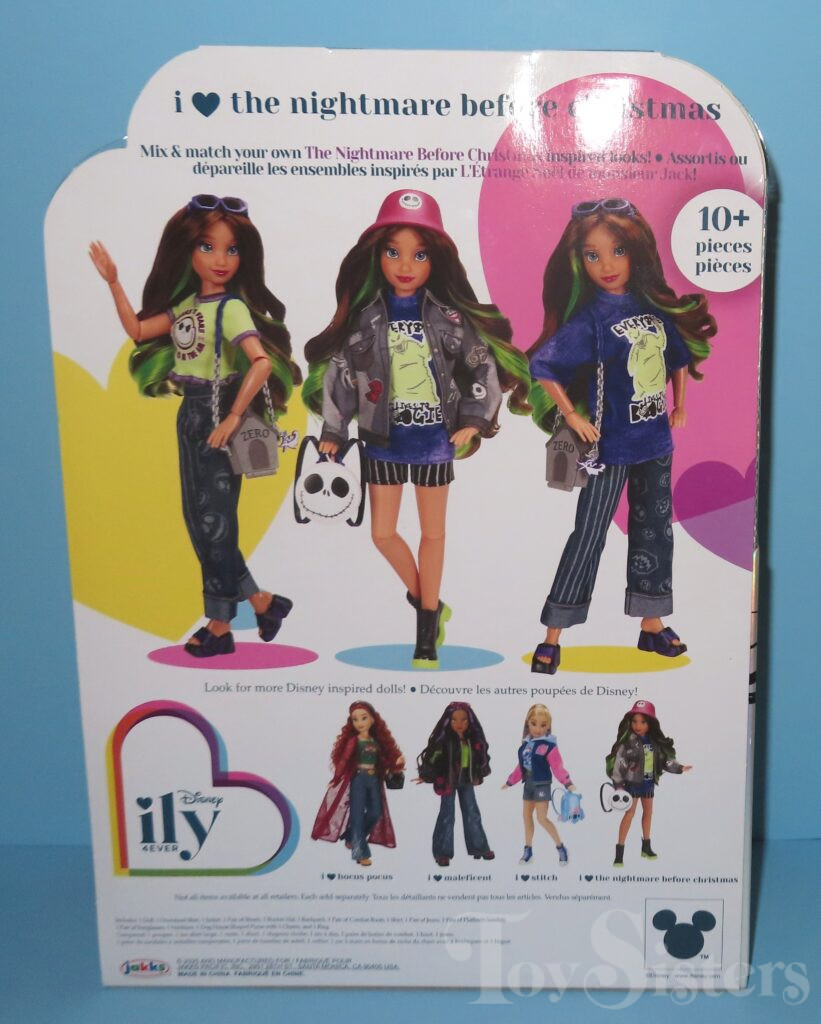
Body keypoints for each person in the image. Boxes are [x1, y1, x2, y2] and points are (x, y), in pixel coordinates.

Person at [303, 190, 530, 667]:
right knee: (382, 534)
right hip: (381, 439)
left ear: (436, 260)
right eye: (394, 252)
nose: (405, 265)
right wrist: (334, 431)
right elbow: (341, 376)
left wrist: (473, 420)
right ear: (377, 256)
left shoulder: (449, 319)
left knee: (433, 534)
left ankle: (426, 629)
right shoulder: (366, 319)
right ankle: (428, 601)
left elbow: (481, 366)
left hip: (433, 441)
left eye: (419, 255)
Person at [89, 195, 301, 657]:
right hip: (190, 413)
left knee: (214, 523)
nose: (220, 259)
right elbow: (138, 332)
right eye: (208, 247)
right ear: (187, 251)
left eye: (232, 249)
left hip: (218, 411)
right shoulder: (188, 305)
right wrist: (114, 283)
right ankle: (262, 603)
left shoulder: (232, 309)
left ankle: (220, 625)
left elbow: (261, 363)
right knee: (199, 520)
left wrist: (232, 417)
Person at [528, 197, 716, 673]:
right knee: (589, 533)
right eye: (593, 255)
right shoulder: (591, 318)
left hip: (655, 441)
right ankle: (554, 632)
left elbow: (677, 358)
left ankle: (651, 623)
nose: (606, 265)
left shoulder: (653, 308)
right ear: (580, 261)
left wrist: (680, 405)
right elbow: (544, 365)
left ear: (637, 253)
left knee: (655, 532)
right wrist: (571, 415)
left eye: (617, 251)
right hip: (609, 447)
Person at [311, 701, 405, 866]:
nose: (359, 723)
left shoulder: (376, 742)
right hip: (359, 779)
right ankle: (360, 853)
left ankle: (351, 836)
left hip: (374, 779)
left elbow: (383, 761)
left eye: (363, 718)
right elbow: (344, 760)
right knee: (357, 815)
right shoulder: (354, 741)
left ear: (373, 719)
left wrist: (396, 763)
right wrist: (336, 778)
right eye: (355, 719)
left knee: (376, 812)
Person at [606, 698, 691, 866]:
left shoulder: (654, 744)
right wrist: (619, 786)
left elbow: (664, 761)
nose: (638, 725)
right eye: (634, 721)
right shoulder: (627, 744)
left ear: (650, 723)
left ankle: (646, 847)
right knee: (629, 814)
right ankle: (619, 852)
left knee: (648, 813)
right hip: (632, 784)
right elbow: (619, 765)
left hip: (648, 783)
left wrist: (679, 768)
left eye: (643, 722)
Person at [416, 701, 494, 866]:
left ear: (470, 721)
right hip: (448, 780)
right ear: (448, 721)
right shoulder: (444, 741)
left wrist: (479, 773)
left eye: (464, 720)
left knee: (472, 812)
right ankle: (442, 852)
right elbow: (433, 757)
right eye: (454, 720)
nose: (459, 724)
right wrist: (426, 774)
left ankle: (479, 847)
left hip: (466, 779)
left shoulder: (473, 740)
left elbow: (480, 758)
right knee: (447, 814)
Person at [501, 703, 575, 865]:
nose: (538, 729)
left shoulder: (549, 746)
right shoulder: (525, 746)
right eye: (534, 724)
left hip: (542, 784)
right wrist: (510, 781)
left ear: (548, 726)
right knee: (526, 817)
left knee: (542, 818)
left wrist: (567, 782)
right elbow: (520, 767)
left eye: (543, 725)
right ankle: (528, 850)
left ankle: (560, 847)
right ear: (527, 723)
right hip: (528, 783)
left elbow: (557, 767)